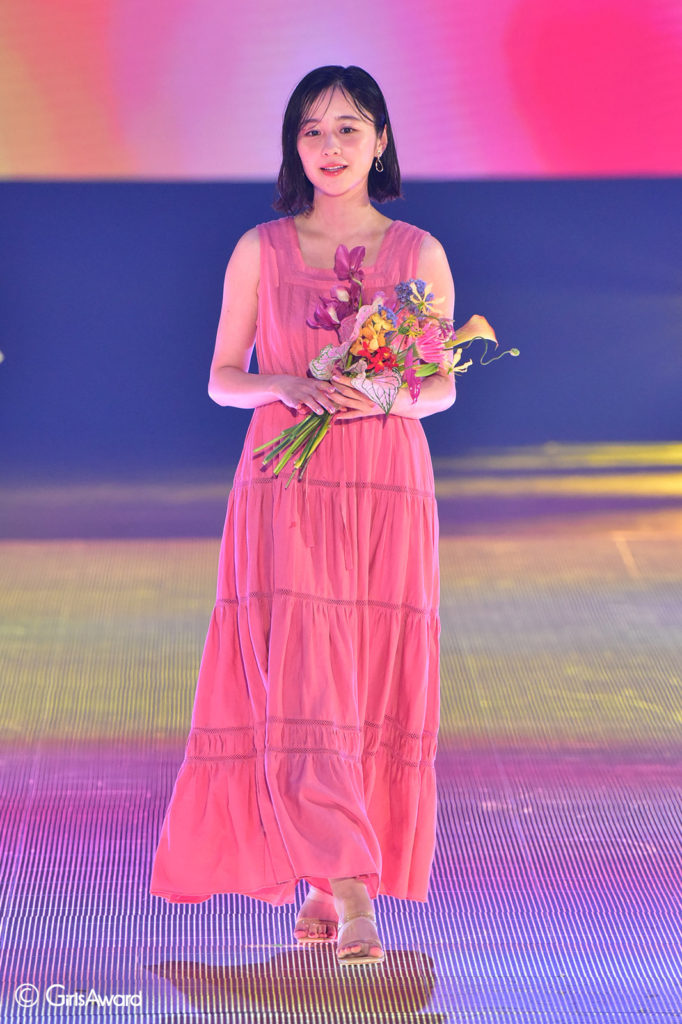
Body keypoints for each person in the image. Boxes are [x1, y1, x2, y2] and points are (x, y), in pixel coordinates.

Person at [149, 65, 456, 967]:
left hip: (386, 482)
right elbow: (221, 378)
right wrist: (286, 383)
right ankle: (353, 889)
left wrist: (379, 395)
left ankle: (325, 877)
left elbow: (440, 386)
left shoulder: (419, 253)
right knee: (304, 678)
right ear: (294, 144)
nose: (331, 146)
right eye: (313, 130)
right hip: (285, 480)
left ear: (381, 141)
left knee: (367, 677)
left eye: (349, 128)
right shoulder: (262, 248)